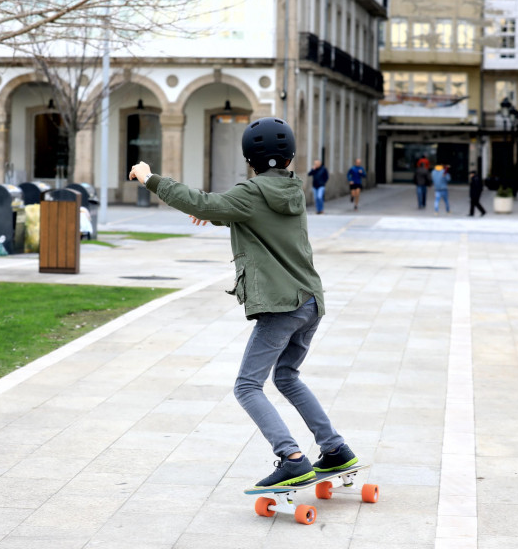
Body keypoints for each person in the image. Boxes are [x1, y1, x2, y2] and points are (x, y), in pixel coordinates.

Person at [128, 117, 357, 489]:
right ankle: (335, 450)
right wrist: (217, 216)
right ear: (290, 157)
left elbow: (205, 202)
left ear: (249, 157)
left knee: (247, 386)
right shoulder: (293, 190)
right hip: (310, 301)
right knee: (286, 376)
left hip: (281, 306)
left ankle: (292, 458)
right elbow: (250, 216)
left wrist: (149, 177)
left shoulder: (251, 193)